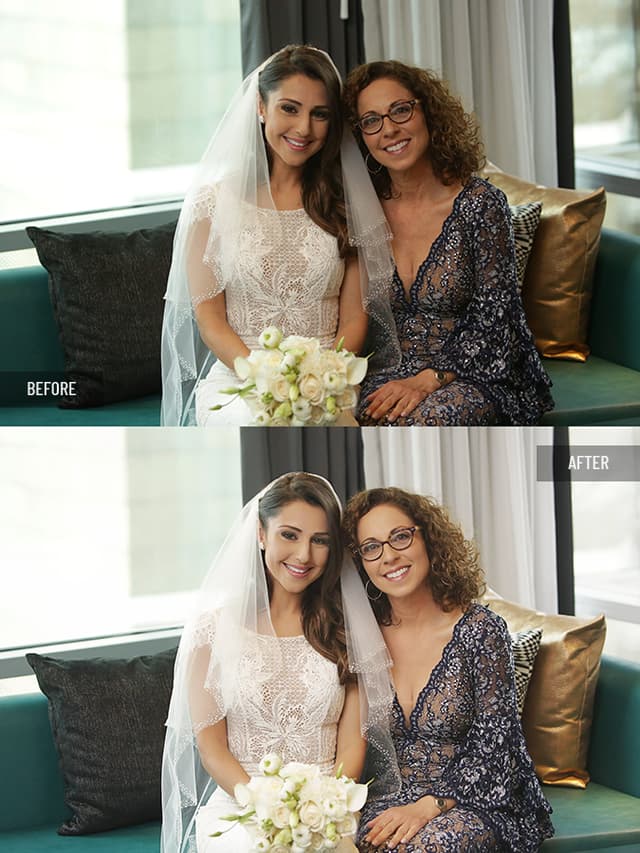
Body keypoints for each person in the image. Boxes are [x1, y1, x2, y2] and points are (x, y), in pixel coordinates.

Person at [161, 46, 398, 426]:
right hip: (238, 378)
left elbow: (354, 320)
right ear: (260, 107)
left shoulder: (345, 205)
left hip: (326, 381)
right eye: (290, 108)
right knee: (256, 423)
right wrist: (264, 382)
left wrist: (320, 378)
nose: (304, 128)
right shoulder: (212, 204)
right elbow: (211, 320)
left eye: (319, 114)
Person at [160, 473, 398, 853]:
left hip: (328, 808)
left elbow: (352, 750)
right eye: (289, 535)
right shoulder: (213, 631)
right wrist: (266, 810)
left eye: (319, 541)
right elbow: (212, 749)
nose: (304, 555)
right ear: (260, 533)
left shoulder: (345, 632)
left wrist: (318, 809)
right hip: (240, 806)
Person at [342, 486, 554, 852]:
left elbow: (496, 741)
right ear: (359, 560)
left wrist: (429, 807)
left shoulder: (480, 630)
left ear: (428, 539)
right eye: (372, 547)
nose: (389, 556)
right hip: (389, 798)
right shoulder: (360, 636)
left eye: (400, 537)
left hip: (478, 797)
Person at [343, 61, 554, 426]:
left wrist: (429, 380)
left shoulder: (480, 203)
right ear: (360, 135)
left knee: (426, 421)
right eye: (371, 120)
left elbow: (495, 314)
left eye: (400, 110)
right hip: (388, 371)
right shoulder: (359, 211)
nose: (389, 129)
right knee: (351, 418)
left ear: (428, 111)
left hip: (477, 371)